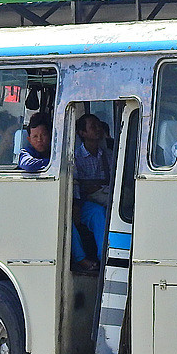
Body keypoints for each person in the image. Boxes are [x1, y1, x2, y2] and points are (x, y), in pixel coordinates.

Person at [71, 112, 111, 273]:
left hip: (106, 195)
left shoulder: (108, 155)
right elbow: (74, 185)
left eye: (99, 126)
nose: (97, 130)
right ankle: (104, 258)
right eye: (92, 127)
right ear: (82, 133)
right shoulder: (75, 157)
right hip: (83, 202)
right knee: (98, 214)